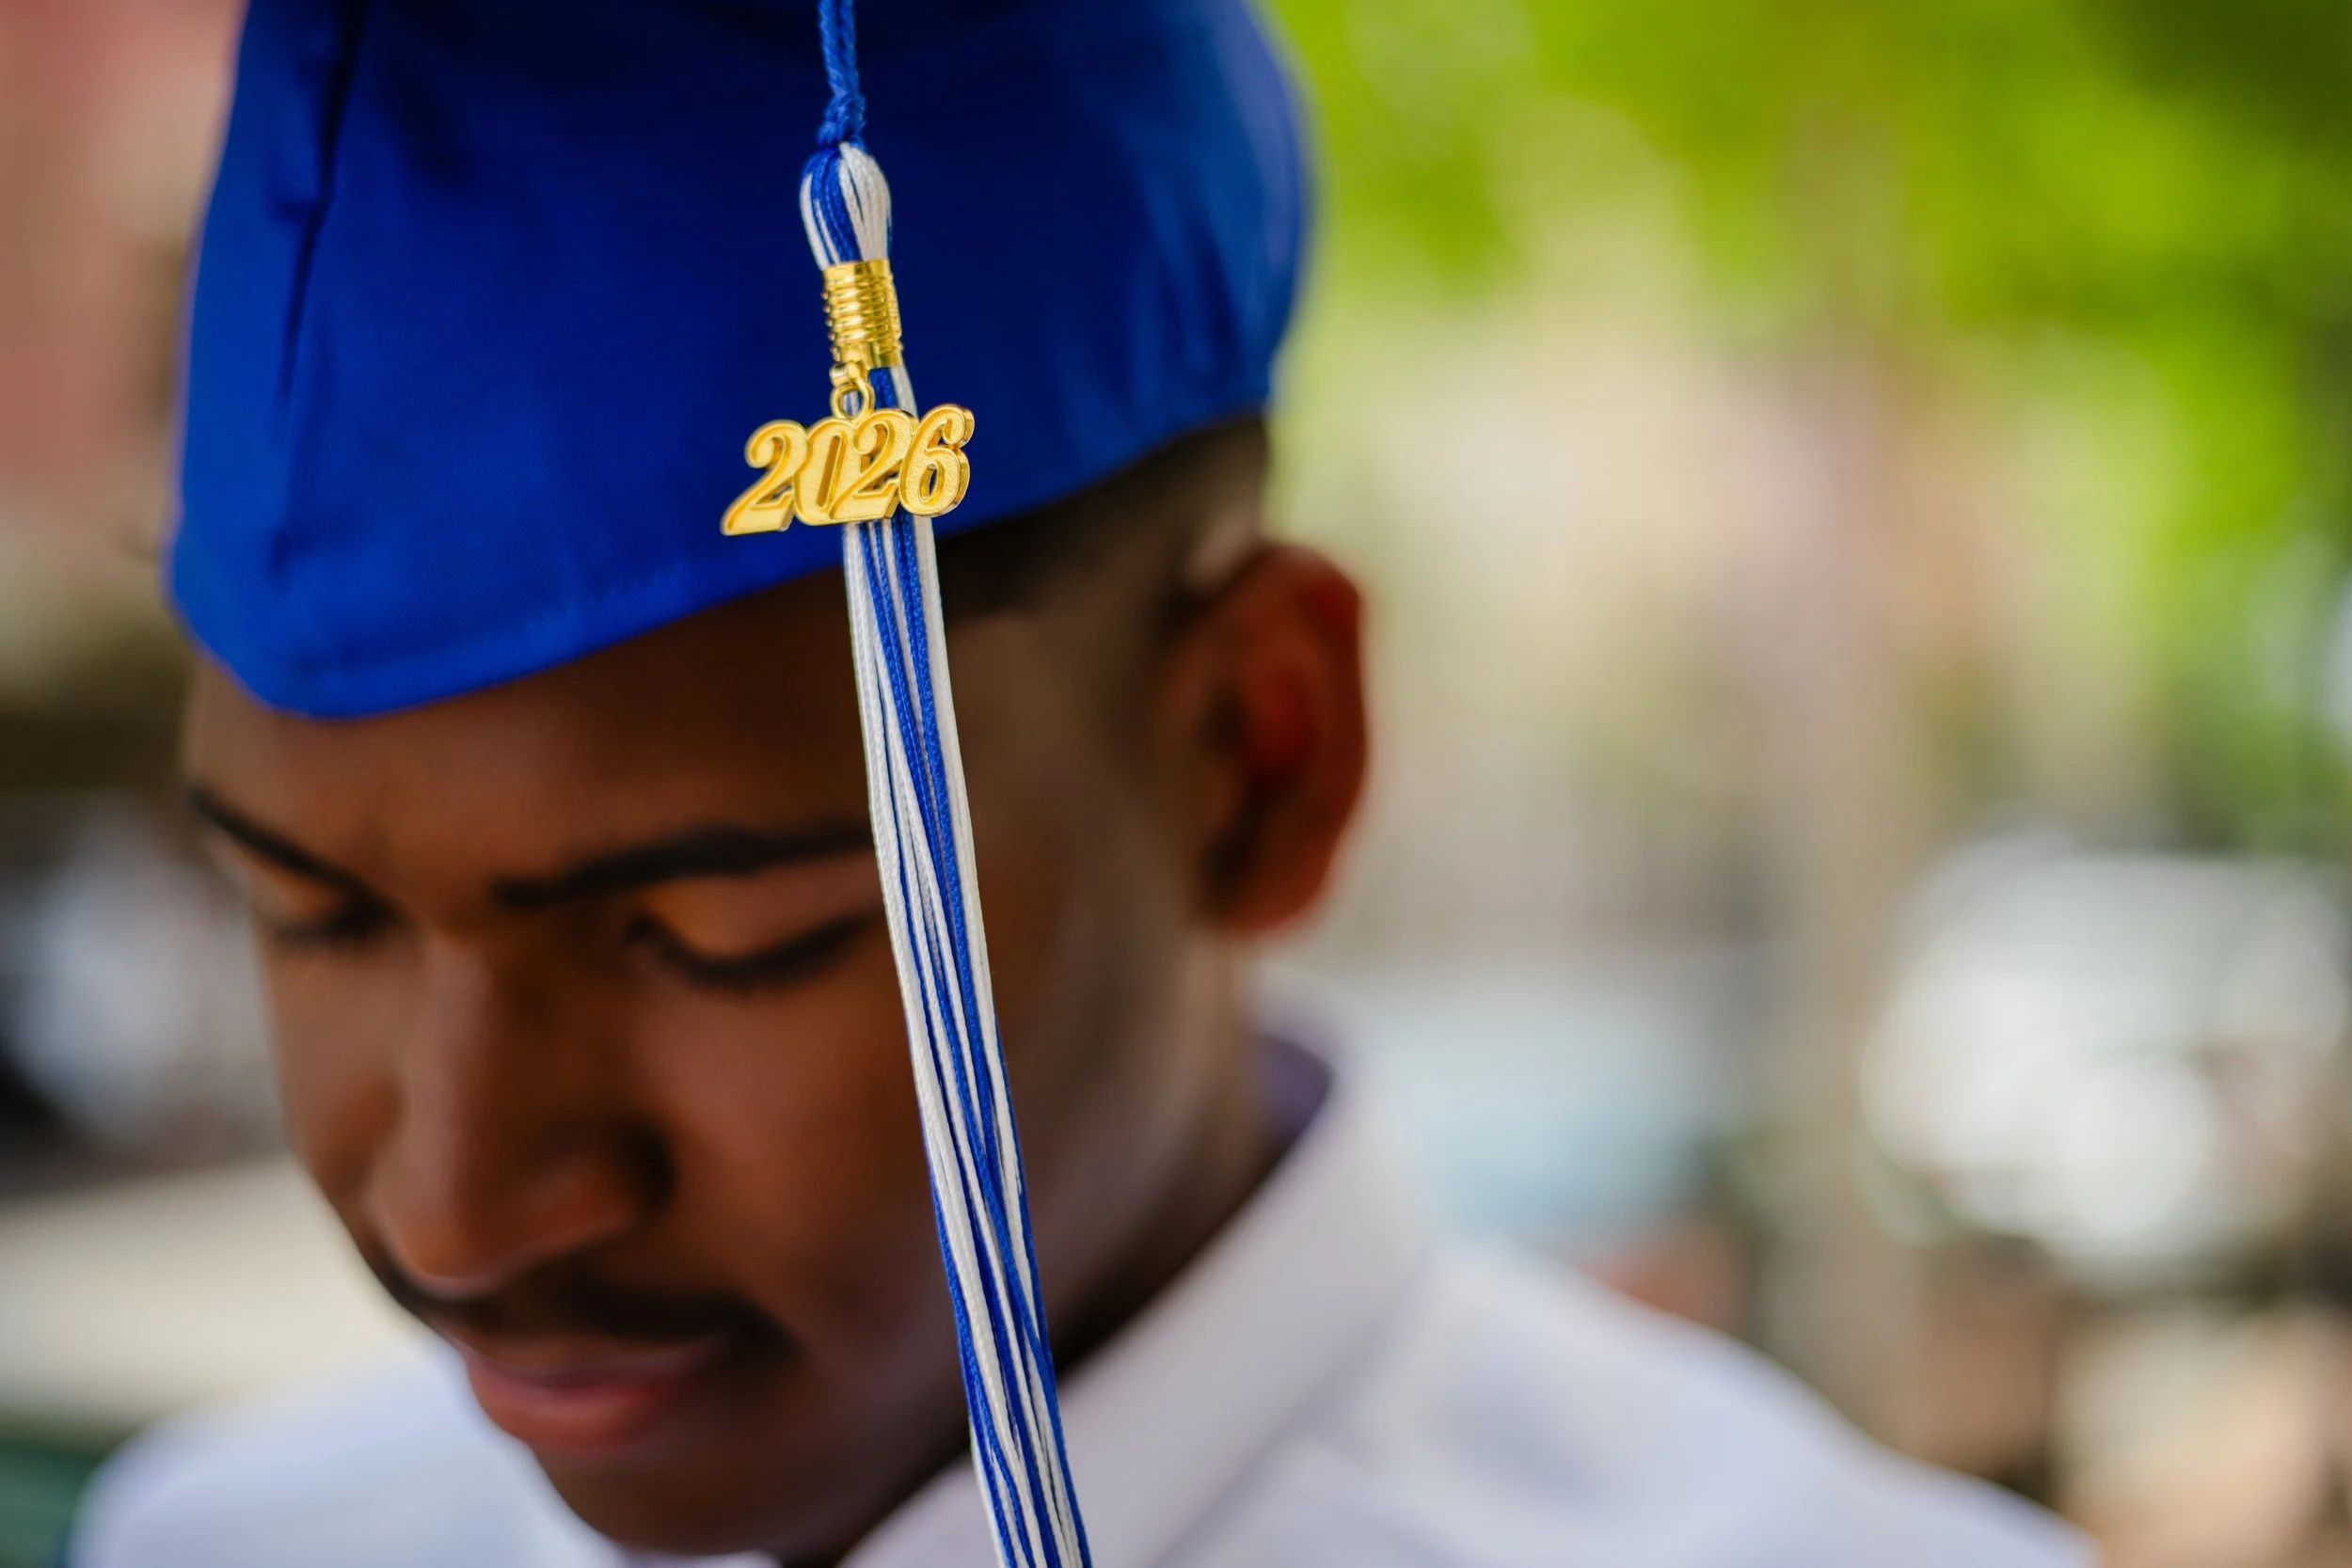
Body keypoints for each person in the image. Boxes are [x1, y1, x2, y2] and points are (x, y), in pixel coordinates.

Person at [72, 1, 2090, 1565]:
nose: (457, 1196)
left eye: (712, 933)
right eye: (305, 908)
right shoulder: (231, 1537)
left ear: (1253, 758)